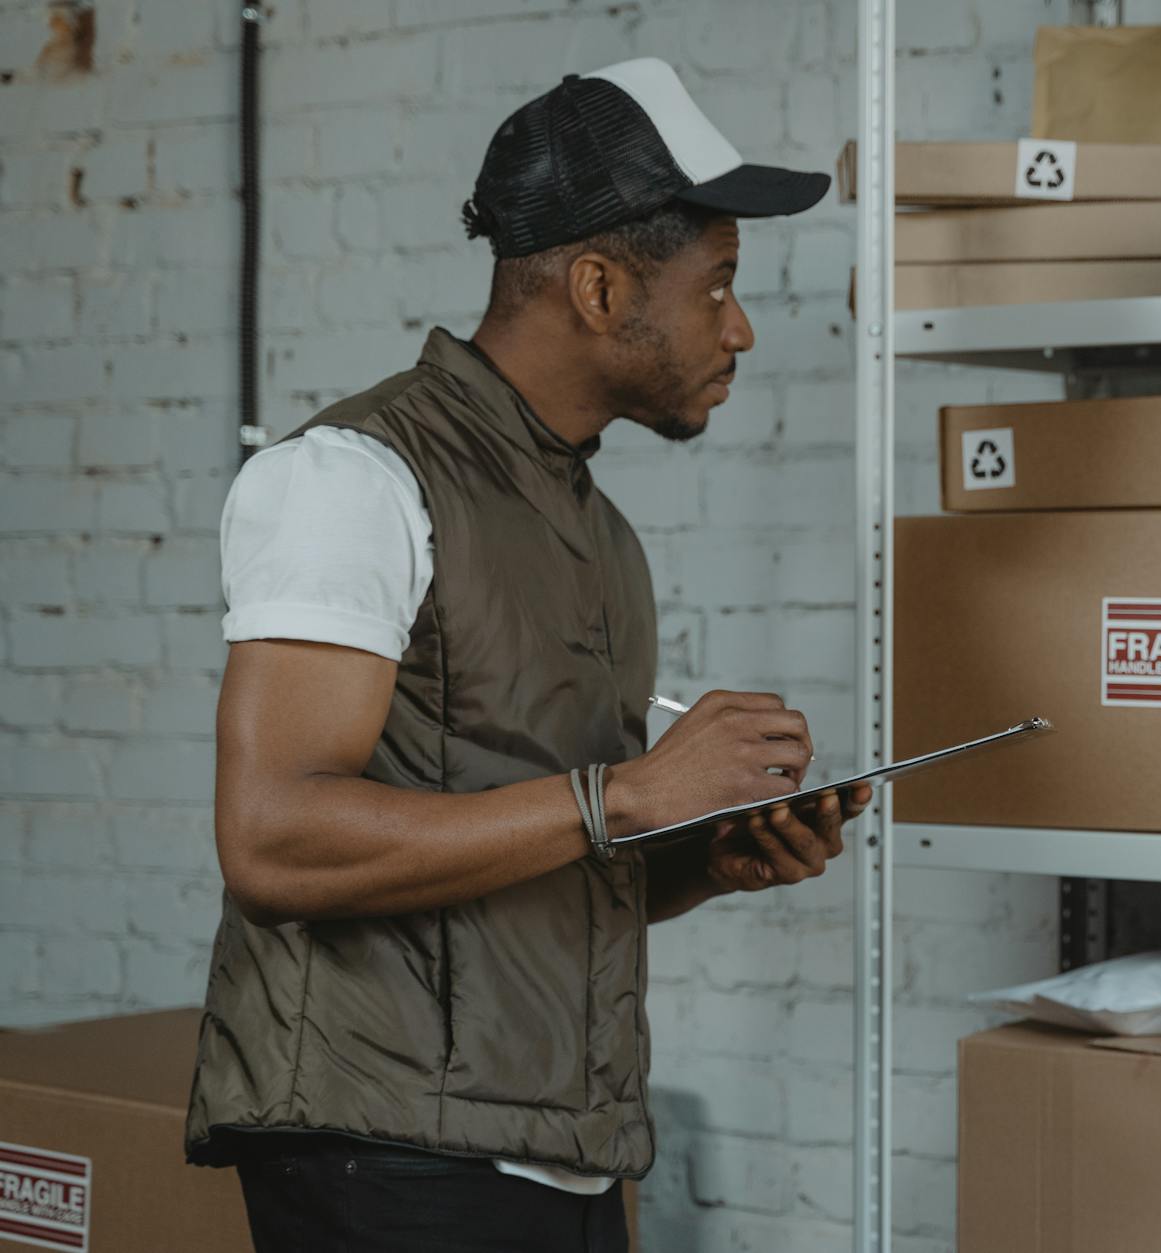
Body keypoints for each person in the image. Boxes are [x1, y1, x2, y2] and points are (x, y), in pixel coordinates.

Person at [183, 57, 867, 1253]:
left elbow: (547, 861)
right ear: (600, 288)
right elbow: (272, 836)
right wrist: (631, 793)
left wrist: (705, 854)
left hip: (564, 1159)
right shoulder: (353, 478)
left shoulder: (598, 532)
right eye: (717, 287)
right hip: (383, 1159)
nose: (741, 328)